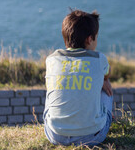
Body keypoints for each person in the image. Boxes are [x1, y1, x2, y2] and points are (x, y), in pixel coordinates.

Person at [43, 9, 113, 147]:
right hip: (93, 137)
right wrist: (103, 80)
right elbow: (107, 74)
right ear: (89, 39)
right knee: (106, 85)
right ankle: (102, 119)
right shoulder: (99, 58)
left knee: (51, 91)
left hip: (55, 135)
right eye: (96, 37)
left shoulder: (52, 59)